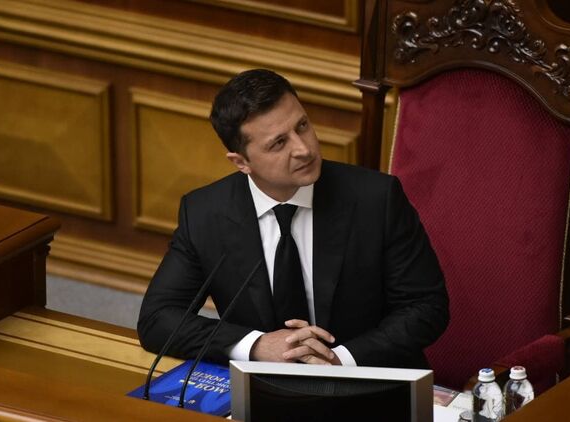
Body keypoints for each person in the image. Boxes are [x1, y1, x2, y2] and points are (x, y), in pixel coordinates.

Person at [137, 69, 448, 368]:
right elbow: (157, 318)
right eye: (278, 143)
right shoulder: (205, 213)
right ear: (241, 162)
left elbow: (426, 306)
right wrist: (256, 345)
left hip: (366, 377)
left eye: (302, 126)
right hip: (262, 386)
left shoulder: (376, 199)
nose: (303, 149)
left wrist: (341, 361)